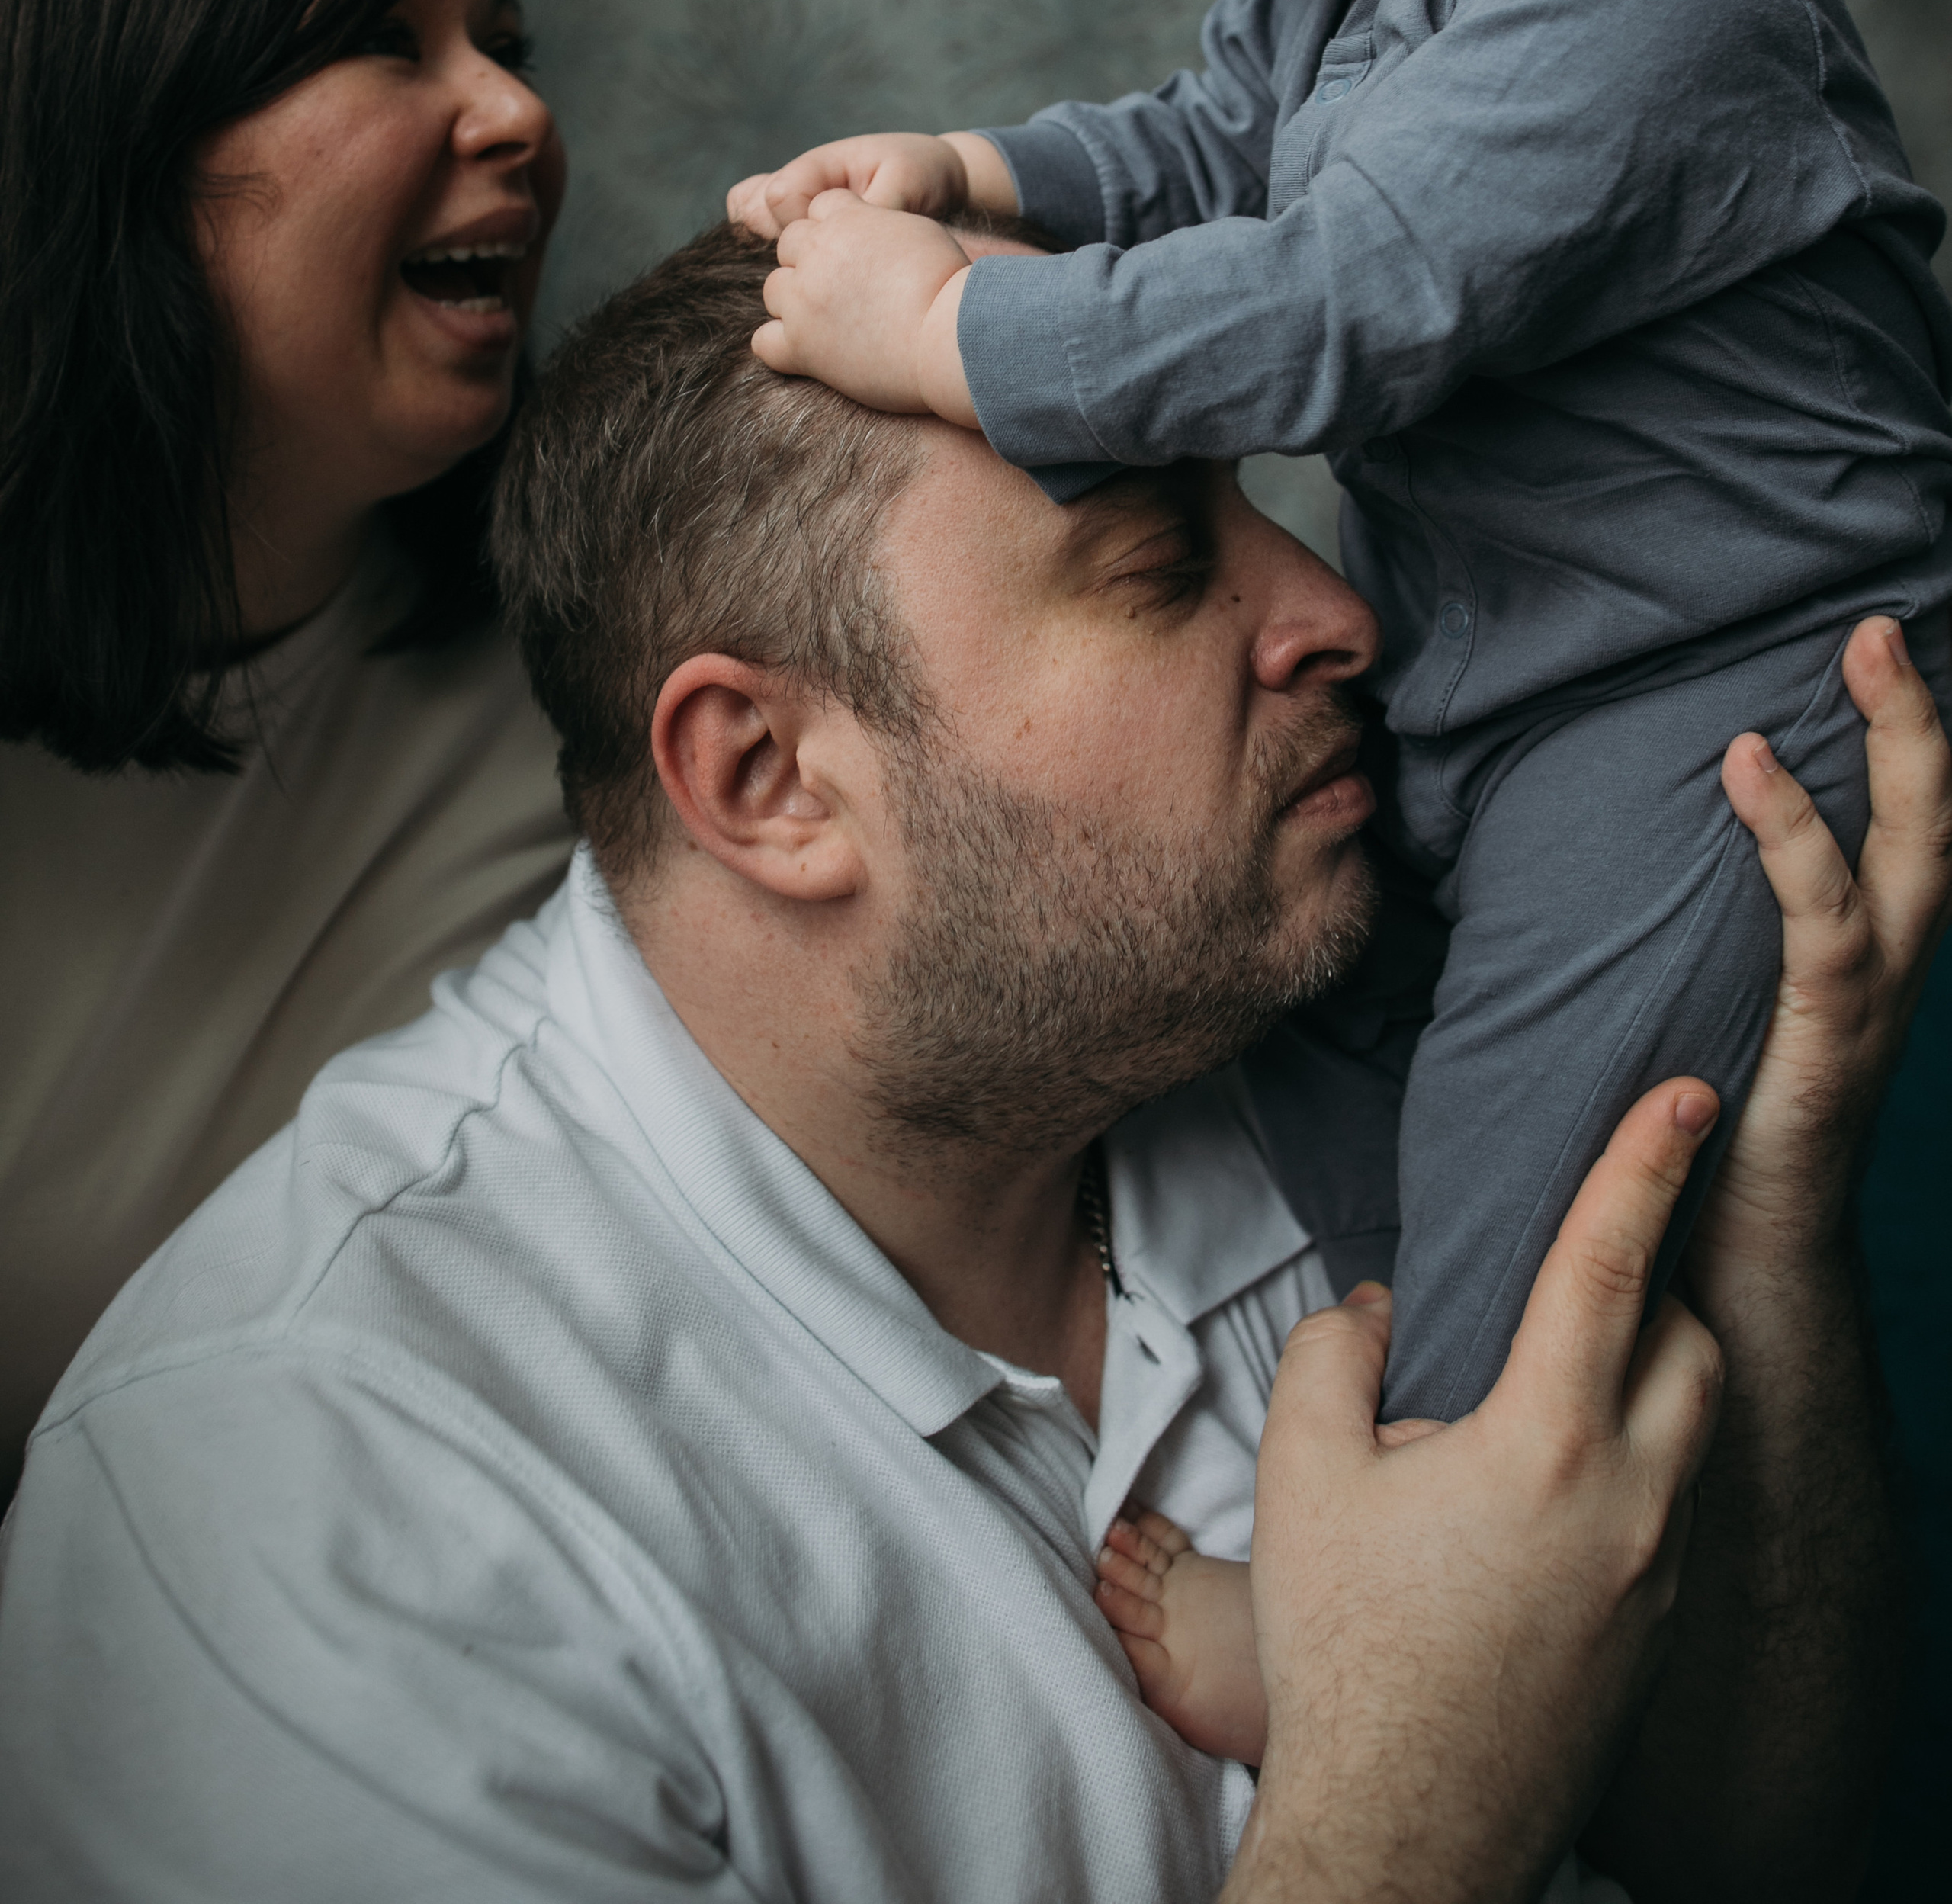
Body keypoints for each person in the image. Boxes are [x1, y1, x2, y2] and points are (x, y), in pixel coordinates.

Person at [0, 221, 1938, 1904]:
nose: (1336, 614)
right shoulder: (295, 1518)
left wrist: (1769, 1218)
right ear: (767, 781)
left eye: (1259, 509)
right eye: (1154, 570)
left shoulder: (1348, 1021)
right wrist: (1410, 1805)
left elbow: (1756, 1863)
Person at [726, 0, 1952, 1424]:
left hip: (1713, 712)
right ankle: (1372, 1381)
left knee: (1544, 1184)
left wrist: (949, 329)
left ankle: (1413, 1545)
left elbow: (1329, 305)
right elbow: (1206, 147)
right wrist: (977, 175)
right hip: (1497, 687)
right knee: (1274, 1009)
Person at [0, 0, 573, 1491]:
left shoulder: (602, 713)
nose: (520, 116)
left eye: (505, 42)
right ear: (115, 140)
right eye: (392, 45)